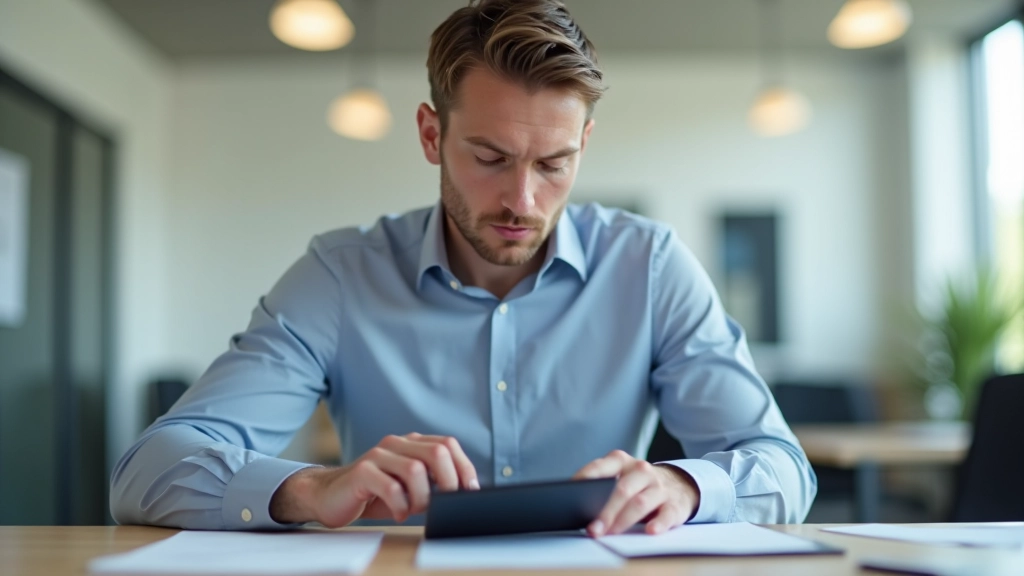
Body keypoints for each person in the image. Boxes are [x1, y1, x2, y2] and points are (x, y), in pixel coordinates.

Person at [110, 0, 816, 536]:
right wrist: (313, 489)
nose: (522, 200)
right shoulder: (340, 276)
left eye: (554, 163)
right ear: (431, 135)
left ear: (584, 144)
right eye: (490, 158)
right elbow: (148, 469)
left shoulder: (650, 267)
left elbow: (782, 467)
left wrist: (685, 487)